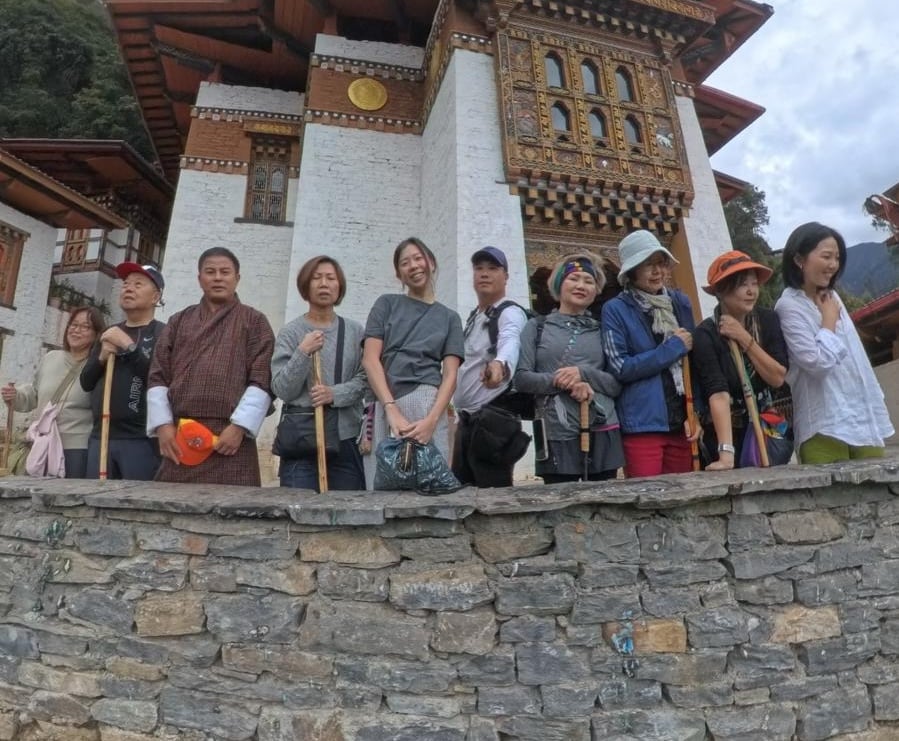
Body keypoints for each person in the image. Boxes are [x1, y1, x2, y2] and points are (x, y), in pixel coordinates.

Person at [147, 247, 275, 486]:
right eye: (210, 272)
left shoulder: (254, 321)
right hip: (181, 435)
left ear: (237, 278)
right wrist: (163, 426)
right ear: (199, 278)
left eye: (225, 272)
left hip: (231, 438)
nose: (217, 277)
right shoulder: (179, 321)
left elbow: (262, 379)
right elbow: (158, 376)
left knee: (235, 512)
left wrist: (239, 427)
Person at [775, 222, 893, 463]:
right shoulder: (789, 306)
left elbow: (856, 358)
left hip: (863, 418)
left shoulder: (832, 296)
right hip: (824, 425)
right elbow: (816, 363)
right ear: (799, 259)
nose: (833, 265)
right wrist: (828, 320)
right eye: (826, 256)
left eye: (837, 257)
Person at [515, 253, 624, 483]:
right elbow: (522, 379)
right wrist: (562, 380)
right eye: (574, 278)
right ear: (559, 284)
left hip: (602, 426)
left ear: (596, 290)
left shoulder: (604, 330)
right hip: (554, 430)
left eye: (589, 280)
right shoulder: (536, 327)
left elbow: (616, 382)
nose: (581, 285)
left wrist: (584, 374)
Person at [362, 237, 464, 479]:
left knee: (428, 483)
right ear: (399, 274)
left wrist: (431, 420)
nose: (414, 266)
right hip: (384, 401)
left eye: (419, 258)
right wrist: (391, 409)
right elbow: (370, 359)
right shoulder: (386, 304)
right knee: (382, 485)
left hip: (426, 401)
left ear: (431, 262)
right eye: (405, 262)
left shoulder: (449, 318)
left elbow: (450, 375)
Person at [601, 230, 699, 477]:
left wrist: (698, 411)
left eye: (661, 263)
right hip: (642, 425)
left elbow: (695, 362)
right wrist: (671, 348)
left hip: (683, 421)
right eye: (647, 265)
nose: (657, 272)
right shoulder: (615, 309)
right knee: (646, 500)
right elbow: (620, 367)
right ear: (631, 272)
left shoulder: (679, 303)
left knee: (684, 500)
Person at [271, 255, 366, 491]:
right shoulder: (290, 333)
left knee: (349, 514)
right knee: (297, 512)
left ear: (339, 286)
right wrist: (302, 352)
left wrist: (334, 394)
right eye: (317, 278)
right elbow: (282, 388)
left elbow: (366, 380)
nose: (324, 283)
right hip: (301, 441)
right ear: (306, 286)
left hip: (346, 439)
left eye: (330, 278)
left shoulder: (355, 332)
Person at [692, 251, 789, 470]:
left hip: (766, 428)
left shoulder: (768, 320)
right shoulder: (705, 335)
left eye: (754, 284)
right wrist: (726, 454)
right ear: (721, 291)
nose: (751, 291)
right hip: (727, 432)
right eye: (741, 285)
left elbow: (777, 377)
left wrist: (744, 338)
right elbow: (718, 394)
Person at [452, 247, 530, 488]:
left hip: (493, 423)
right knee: (463, 494)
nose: (484, 274)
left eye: (493, 268)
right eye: (479, 268)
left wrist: (499, 365)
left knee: (493, 498)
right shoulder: (476, 316)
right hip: (467, 423)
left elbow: (511, 340)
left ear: (506, 276)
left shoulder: (510, 313)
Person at [80, 263, 166, 480]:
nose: (128, 288)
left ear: (156, 297)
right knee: (95, 505)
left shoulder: (164, 334)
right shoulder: (110, 333)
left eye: (138, 284)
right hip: (102, 436)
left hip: (141, 440)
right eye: (126, 284)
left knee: (135, 507)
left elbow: (161, 380)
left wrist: (128, 347)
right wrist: (101, 357)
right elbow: (86, 382)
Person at [2, 306, 103, 478]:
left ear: (96, 334)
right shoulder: (51, 358)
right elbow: (34, 394)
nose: (76, 330)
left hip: (74, 449)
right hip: (41, 444)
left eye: (85, 327)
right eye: (73, 325)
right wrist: (16, 395)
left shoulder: (98, 367)